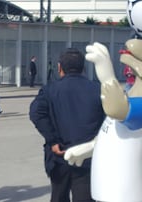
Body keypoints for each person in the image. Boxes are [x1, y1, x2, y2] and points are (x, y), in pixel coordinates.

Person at [29, 48, 105, 202]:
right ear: (83, 68)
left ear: (59, 67)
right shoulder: (98, 89)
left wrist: (53, 140)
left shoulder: (50, 89)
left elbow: (36, 113)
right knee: (85, 196)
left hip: (59, 154)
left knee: (58, 195)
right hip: (87, 155)